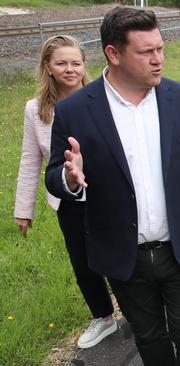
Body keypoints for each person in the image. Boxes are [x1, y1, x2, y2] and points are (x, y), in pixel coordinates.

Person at [45, 7, 180, 365]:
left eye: (160, 48)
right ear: (113, 54)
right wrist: (69, 179)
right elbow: (54, 174)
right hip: (124, 254)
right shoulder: (75, 110)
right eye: (146, 52)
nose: (158, 59)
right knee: (149, 339)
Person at [14, 35, 118, 349]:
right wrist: (23, 208)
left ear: (85, 65)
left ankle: (142, 312)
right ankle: (103, 317)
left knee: (119, 254)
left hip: (107, 196)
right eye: (61, 63)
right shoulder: (35, 110)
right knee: (83, 262)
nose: (69, 69)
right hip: (68, 201)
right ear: (47, 67)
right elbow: (31, 158)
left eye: (76, 63)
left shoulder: (101, 98)